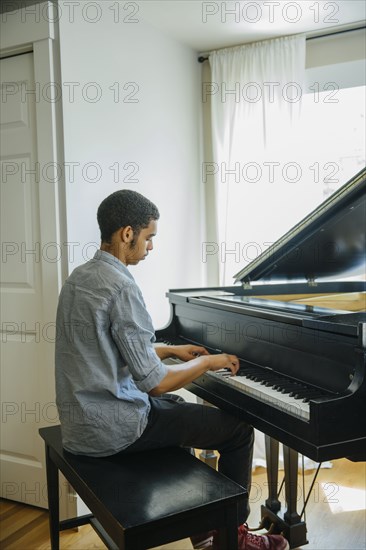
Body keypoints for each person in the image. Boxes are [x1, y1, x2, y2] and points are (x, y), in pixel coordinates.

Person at [55, 189, 289, 550]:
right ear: (127, 234)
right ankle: (233, 535)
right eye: (149, 237)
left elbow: (107, 350)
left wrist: (168, 349)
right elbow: (156, 384)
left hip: (80, 425)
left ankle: (205, 524)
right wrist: (208, 361)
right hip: (114, 432)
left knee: (180, 413)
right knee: (239, 431)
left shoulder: (79, 278)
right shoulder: (120, 286)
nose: (151, 247)